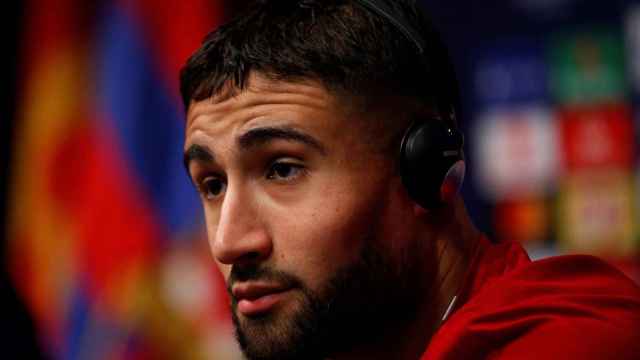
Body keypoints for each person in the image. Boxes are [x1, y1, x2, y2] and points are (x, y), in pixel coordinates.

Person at [179, 0, 640, 359]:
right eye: (213, 184)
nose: (228, 242)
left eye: (282, 169)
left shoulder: (573, 343)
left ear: (426, 171)